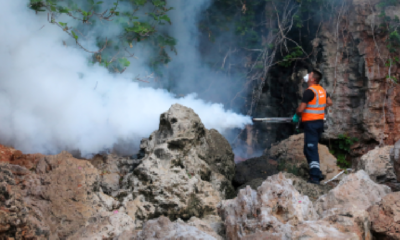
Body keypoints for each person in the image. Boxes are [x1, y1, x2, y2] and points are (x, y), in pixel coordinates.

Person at [294, 69, 332, 184]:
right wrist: (318, 109)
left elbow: (301, 109)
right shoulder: (322, 90)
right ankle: (317, 173)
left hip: (311, 124)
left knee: (311, 149)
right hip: (319, 123)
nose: (306, 76)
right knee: (308, 148)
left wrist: (296, 114)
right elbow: (329, 103)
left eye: (309, 75)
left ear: (313, 79)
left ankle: (315, 177)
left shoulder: (309, 91)